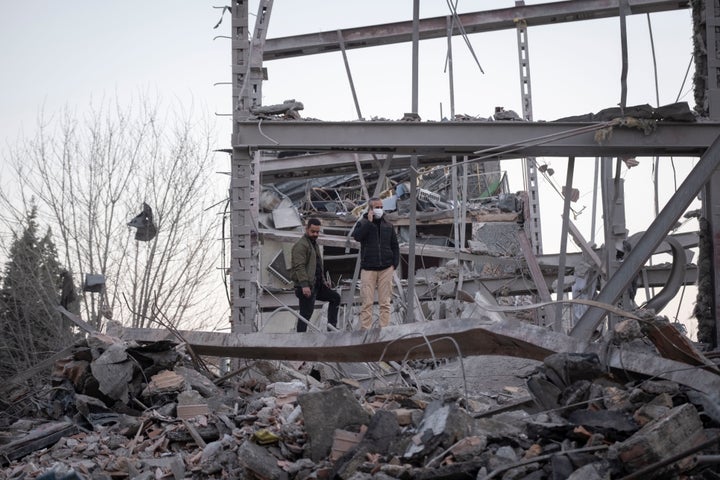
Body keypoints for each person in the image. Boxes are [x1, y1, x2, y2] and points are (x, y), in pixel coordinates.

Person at [352, 197, 400, 329]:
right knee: (367, 302)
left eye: (381, 207)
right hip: (368, 268)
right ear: (370, 209)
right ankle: (365, 330)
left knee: (385, 303)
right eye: (376, 207)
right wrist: (369, 222)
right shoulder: (363, 223)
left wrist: (394, 264)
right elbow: (357, 237)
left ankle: (384, 329)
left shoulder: (388, 225)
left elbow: (395, 246)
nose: (379, 209)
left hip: (386, 268)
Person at [291, 217, 340, 332]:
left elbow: (317, 265)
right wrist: (304, 285)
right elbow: (299, 266)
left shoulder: (313, 244)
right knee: (305, 315)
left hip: (317, 285)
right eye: (313, 231)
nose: (315, 234)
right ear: (306, 229)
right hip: (306, 286)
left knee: (335, 298)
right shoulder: (301, 245)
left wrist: (323, 281)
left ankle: (331, 328)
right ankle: (300, 338)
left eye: (317, 232)